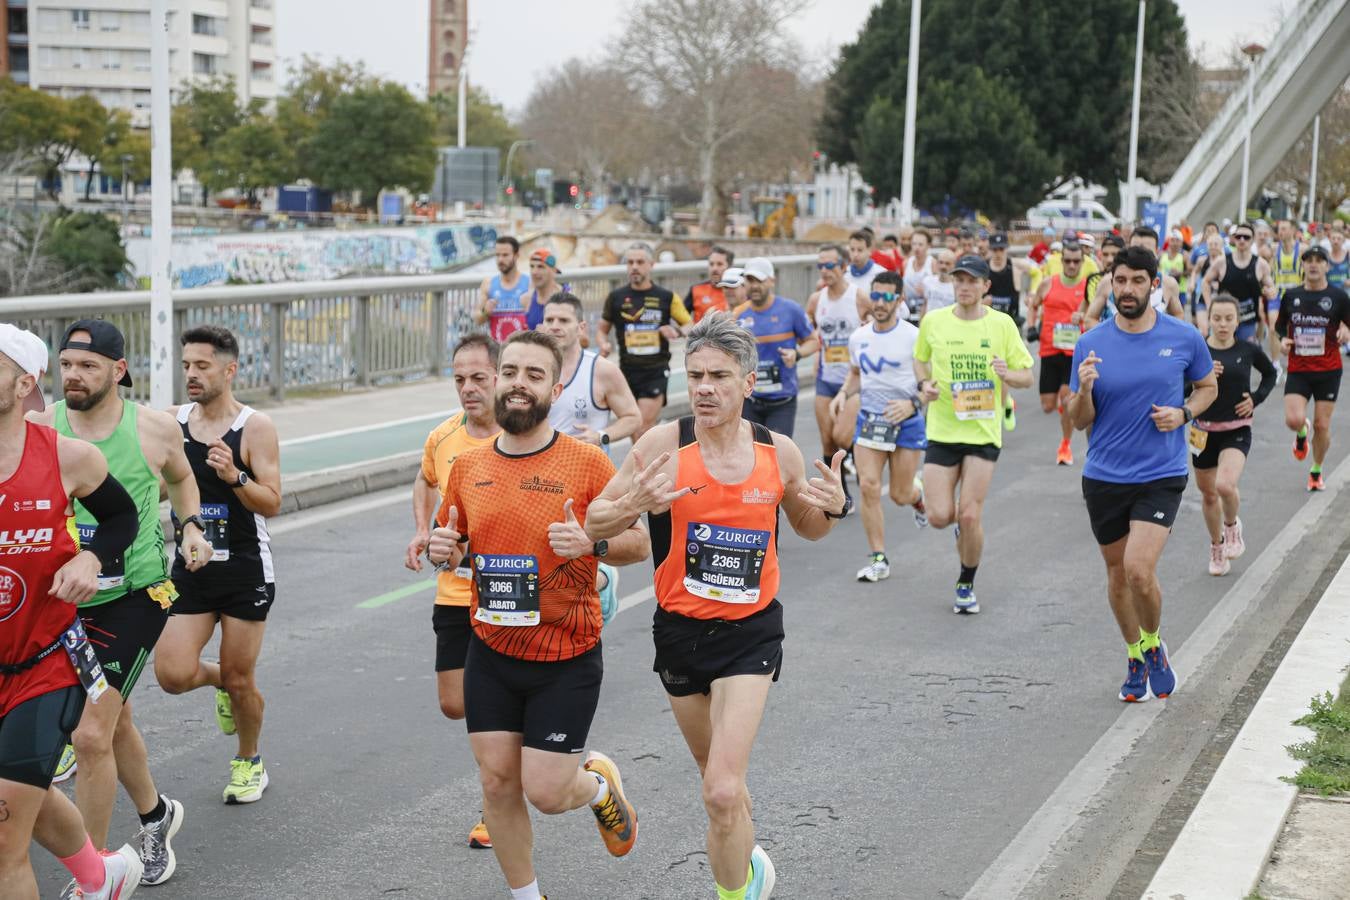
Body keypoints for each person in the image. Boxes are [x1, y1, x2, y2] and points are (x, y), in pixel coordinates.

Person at [584, 312, 851, 900]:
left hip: (750, 634)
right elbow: (595, 520)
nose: (704, 387)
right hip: (679, 633)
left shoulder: (777, 453)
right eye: (696, 374)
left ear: (748, 383)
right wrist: (634, 498)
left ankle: (734, 891)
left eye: (719, 376)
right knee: (720, 785)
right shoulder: (662, 444)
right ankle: (748, 867)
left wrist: (832, 507)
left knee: (722, 792)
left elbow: (808, 526)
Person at [426, 330, 650, 900]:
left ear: (554, 388)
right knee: (499, 783)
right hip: (492, 651)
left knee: (547, 793)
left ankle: (597, 787)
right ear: (498, 380)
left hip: (565, 654)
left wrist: (592, 545)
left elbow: (640, 542)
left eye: (534, 375)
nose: (519, 384)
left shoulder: (587, 462)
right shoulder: (468, 466)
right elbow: (455, 545)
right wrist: (442, 549)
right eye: (511, 372)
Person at [26, 321, 211, 889]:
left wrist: (192, 527)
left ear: (118, 370)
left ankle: (98, 874)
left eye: (88, 366)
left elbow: (182, 480)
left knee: (88, 733)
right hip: (62, 600)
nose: (74, 376)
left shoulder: (153, 430)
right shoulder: (40, 427)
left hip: (135, 596)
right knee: (116, 717)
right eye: (67, 366)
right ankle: (158, 817)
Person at [0, 324, 144, 900]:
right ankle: (100, 874)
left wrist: (91, 557)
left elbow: (122, 518)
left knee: (6, 841)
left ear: (23, 383)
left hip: (45, 665)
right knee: (24, 800)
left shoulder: (66, 457)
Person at [1067, 246, 1218, 702]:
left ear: (1155, 285)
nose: (1127, 290)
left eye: (1137, 281)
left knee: (1138, 570)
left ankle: (1154, 643)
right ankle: (1134, 654)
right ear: (1110, 284)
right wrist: (1086, 389)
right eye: (1120, 281)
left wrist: (1184, 412)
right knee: (1116, 575)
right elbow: (1078, 419)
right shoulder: (1090, 344)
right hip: (1105, 475)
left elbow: (1208, 386)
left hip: (1161, 472)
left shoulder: (1184, 336)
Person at [153, 325, 283, 805]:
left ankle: (248, 761)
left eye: (202, 366)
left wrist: (234, 476)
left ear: (229, 370)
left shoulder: (255, 426)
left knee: (242, 675)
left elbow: (270, 502)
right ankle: (221, 683)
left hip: (246, 569)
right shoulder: (170, 422)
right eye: (187, 365)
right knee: (171, 674)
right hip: (192, 566)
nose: (191, 374)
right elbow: (157, 486)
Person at [404, 333, 502, 851]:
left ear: (500, 377)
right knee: (454, 702)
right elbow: (424, 480)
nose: (468, 389)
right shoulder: (443, 438)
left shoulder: (518, 436)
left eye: (478, 378)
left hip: (511, 595)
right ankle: (512, 761)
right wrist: (423, 529)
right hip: (455, 590)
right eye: (460, 379)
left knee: (491, 700)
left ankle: (494, 802)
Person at [915, 255, 1034, 613]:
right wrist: (925, 384)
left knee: (969, 515)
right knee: (939, 516)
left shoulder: (1002, 325)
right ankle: (950, 523)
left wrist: (1006, 374)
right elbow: (920, 359)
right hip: (942, 428)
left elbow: (1026, 376)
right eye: (959, 280)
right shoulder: (933, 322)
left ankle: (966, 582)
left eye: (972, 281)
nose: (964, 287)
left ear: (986, 287)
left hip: (983, 431)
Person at [831, 271, 928, 582]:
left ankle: (917, 497)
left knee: (899, 494)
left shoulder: (914, 336)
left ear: (899, 300)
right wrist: (843, 393)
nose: (881, 303)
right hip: (870, 422)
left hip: (906, 423)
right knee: (869, 486)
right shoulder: (859, 337)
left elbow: (931, 384)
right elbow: (856, 373)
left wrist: (911, 404)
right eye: (876, 296)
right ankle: (878, 558)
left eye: (888, 297)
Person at [1191, 295, 1277, 575]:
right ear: (1209, 319)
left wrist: (1255, 398)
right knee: (1208, 495)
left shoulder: (1248, 349)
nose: (1223, 324)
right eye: (1217, 318)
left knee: (1225, 485)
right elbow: (1180, 390)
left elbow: (1270, 375)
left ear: (1238, 321)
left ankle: (1231, 528)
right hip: (1202, 432)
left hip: (1236, 429)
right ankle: (1216, 547)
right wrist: (1200, 380)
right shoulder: (1199, 350)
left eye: (1229, 318)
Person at [596, 242, 692, 441]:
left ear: (651, 265)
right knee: (636, 431)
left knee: (642, 425)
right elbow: (602, 329)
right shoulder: (616, 297)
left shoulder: (666, 297)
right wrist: (603, 344)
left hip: (655, 370)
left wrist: (676, 330)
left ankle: (643, 469)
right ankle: (649, 467)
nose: (634, 267)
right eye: (630, 262)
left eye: (640, 262)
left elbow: (690, 325)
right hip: (626, 372)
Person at [1276, 245, 1350, 491]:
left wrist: (1346, 330)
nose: (1314, 264)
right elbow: (1280, 327)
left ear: (1327, 266)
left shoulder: (1339, 297)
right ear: (1303, 265)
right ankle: (1301, 431)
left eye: (1319, 260)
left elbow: (1348, 325)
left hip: (1328, 369)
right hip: (1299, 367)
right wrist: (1283, 341)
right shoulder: (1291, 295)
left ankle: (1316, 470)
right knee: (1293, 419)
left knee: (1322, 425)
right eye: (1309, 260)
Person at [805, 244, 871, 481]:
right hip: (826, 377)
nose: (824, 270)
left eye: (830, 265)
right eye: (820, 265)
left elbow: (876, 326)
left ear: (843, 267)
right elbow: (810, 334)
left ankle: (862, 458)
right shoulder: (815, 300)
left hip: (853, 380)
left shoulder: (859, 297)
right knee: (828, 439)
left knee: (842, 436)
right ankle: (839, 491)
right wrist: (812, 353)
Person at [733, 258, 817, 437]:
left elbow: (813, 341)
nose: (754, 286)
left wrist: (797, 354)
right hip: (749, 399)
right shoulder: (738, 315)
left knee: (776, 454)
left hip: (782, 400)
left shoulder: (791, 310)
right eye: (750, 280)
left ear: (771, 280)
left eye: (759, 280)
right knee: (750, 454)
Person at [1027, 241, 1088, 465]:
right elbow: (1033, 305)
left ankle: (1065, 445)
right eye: (1068, 261)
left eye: (1076, 261)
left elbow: (1093, 316)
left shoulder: (1086, 288)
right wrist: (1032, 326)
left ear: (1082, 262)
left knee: (1065, 394)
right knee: (1048, 406)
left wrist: (1083, 319)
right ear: (1061, 262)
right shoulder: (1047, 284)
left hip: (1073, 353)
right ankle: (1065, 407)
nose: (1072, 265)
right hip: (1049, 349)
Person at [1202, 222, 1277, 346]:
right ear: (1234, 239)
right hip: (1223, 318)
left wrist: (1270, 292)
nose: (1242, 240)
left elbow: (1271, 286)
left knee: (1245, 352)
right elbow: (1205, 281)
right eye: (1238, 237)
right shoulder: (1222, 261)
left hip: (1247, 317)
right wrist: (1209, 305)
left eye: (1246, 237)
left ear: (1252, 240)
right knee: (1220, 352)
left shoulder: (1260, 264)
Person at [476, 237, 533, 343]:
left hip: (523, 349)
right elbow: (477, 320)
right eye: (497, 255)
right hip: (498, 351)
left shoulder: (529, 283)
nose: (500, 260)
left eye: (505, 255)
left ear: (516, 256)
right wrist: (485, 312)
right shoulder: (488, 284)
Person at [686, 247, 734, 323]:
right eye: (711, 264)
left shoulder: (738, 290)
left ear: (730, 266)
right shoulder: (696, 289)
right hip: (702, 334)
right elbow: (682, 319)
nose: (714, 268)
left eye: (719, 264)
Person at [523, 249, 563, 332]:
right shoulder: (526, 299)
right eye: (532, 266)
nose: (534, 272)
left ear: (553, 270)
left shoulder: (566, 298)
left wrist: (549, 334)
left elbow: (583, 339)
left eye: (540, 267)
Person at [901, 228, 935, 326]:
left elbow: (939, 289)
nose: (916, 247)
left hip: (926, 311)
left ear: (928, 245)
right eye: (914, 244)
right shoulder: (906, 263)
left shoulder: (933, 263)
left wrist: (926, 290)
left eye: (920, 244)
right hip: (908, 310)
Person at [844, 230, 885, 296]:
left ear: (870, 251)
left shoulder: (881, 274)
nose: (855, 254)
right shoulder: (844, 274)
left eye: (860, 250)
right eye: (852, 249)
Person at [917, 249, 956, 317]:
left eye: (947, 263)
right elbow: (925, 304)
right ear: (937, 263)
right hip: (930, 323)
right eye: (941, 262)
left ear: (954, 265)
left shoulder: (956, 286)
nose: (943, 266)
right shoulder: (928, 281)